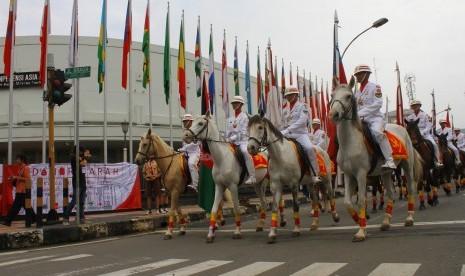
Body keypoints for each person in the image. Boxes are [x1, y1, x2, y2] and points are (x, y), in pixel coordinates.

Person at [353, 64, 396, 169]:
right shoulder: (356, 93)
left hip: (374, 118)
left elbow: (378, 103)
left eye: (359, 74)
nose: (357, 76)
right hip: (361, 120)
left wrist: (360, 113)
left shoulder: (375, 87)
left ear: (366, 74)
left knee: (377, 132)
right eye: (356, 74)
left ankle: (390, 160)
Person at [281, 86, 321, 184]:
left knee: (309, 148)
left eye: (290, 95)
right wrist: (279, 132)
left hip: (300, 134)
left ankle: (315, 174)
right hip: (287, 134)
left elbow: (302, 121)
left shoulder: (303, 106)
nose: (289, 97)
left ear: (296, 95)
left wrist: (288, 130)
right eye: (287, 96)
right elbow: (282, 124)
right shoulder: (285, 110)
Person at [226, 95, 256, 185]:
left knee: (245, 152)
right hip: (231, 141)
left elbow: (243, 132)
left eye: (236, 103)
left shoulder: (245, 117)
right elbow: (228, 131)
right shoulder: (230, 119)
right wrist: (225, 138)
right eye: (233, 103)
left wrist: (231, 139)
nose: (234, 105)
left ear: (241, 104)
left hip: (243, 141)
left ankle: (252, 176)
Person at [2, 154, 36, 227]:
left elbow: (28, 179)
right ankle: (34, 218)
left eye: (18, 159)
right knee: (27, 206)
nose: (16, 161)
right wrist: (14, 179)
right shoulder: (21, 168)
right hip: (20, 190)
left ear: (22, 160)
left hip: (22, 191)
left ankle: (8, 221)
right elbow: (20, 179)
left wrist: (16, 177)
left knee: (15, 207)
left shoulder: (26, 168)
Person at [406, 100, 443, 168]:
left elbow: (429, 126)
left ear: (420, 106)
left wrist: (422, 132)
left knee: (434, 145)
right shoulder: (409, 117)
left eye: (416, 105)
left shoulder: (425, 115)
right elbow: (408, 127)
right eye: (413, 106)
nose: (415, 107)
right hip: (413, 135)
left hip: (425, 134)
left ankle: (437, 161)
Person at [63, 145, 89, 225]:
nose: (81, 152)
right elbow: (83, 164)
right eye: (80, 151)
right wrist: (84, 157)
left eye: (82, 151)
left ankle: (81, 219)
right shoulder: (74, 157)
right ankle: (65, 219)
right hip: (77, 181)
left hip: (82, 181)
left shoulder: (80, 157)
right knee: (74, 201)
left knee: (81, 202)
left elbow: (85, 163)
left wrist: (84, 157)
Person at [179, 114, 201, 191]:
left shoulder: (195, 130)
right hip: (184, 153)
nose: (184, 123)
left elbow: (197, 142)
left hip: (194, 153)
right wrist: (183, 149)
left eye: (185, 121)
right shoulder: (185, 131)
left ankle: (195, 184)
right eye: (184, 121)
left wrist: (184, 148)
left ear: (190, 121)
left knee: (191, 164)